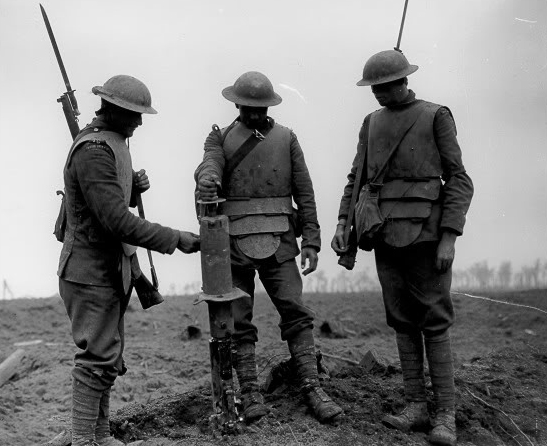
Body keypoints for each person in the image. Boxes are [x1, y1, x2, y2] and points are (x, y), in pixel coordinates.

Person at [331, 50, 474, 446]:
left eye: (383, 86)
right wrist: (344, 224)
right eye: (373, 88)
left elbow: (460, 180)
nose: (377, 94)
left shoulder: (435, 116)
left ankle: (445, 415)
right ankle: (415, 407)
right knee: (400, 318)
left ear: (403, 82)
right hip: (382, 234)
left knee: (434, 319)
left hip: (428, 236)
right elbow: (356, 179)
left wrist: (449, 237)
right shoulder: (371, 123)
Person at [57, 74, 200, 446]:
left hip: (109, 269)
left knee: (107, 356)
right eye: (135, 115)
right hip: (89, 272)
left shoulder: (113, 143)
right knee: (96, 359)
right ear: (116, 111)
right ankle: (84, 440)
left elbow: (107, 198)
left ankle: (100, 436)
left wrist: (132, 186)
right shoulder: (93, 151)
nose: (139, 122)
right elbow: (116, 220)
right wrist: (176, 239)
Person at [194, 71, 343, 424]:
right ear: (237, 105)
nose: (255, 114)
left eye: (260, 108)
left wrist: (311, 241)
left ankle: (311, 386)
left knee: (295, 310)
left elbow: (304, 191)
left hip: (281, 240)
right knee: (238, 319)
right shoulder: (220, 137)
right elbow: (210, 163)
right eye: (248, 108)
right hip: (234, 241)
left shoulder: (287, 138)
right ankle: (249, 392)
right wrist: (207, 179)